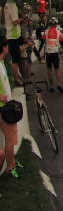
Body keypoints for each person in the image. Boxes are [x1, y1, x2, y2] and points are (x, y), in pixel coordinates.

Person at [0, 34, 21, 177]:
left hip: (7, 105)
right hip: (3, 108)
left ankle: (12, 162)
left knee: (11, 137)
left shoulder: (1, 63)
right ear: (3, 48)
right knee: (10, 138)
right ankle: (10, 167)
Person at [3, 0, 24, 85]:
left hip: (10, 35)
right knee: (15, 59)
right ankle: (16, 79)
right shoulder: (12, 6)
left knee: (16, 58)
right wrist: (22, 18)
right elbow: (15, 22)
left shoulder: (6, 4)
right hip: (13, 36)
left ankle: (17, 75)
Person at [41, 17, 63, 93]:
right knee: (57, 70)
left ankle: (51, 86)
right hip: (55, 52)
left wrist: (38, 51)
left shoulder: (46, 32)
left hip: (48, 53)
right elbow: (62, 43)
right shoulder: (59, 32)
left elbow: (42, 42)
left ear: (50, 24)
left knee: (49, 70)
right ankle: (58, 84)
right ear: (56, 24)